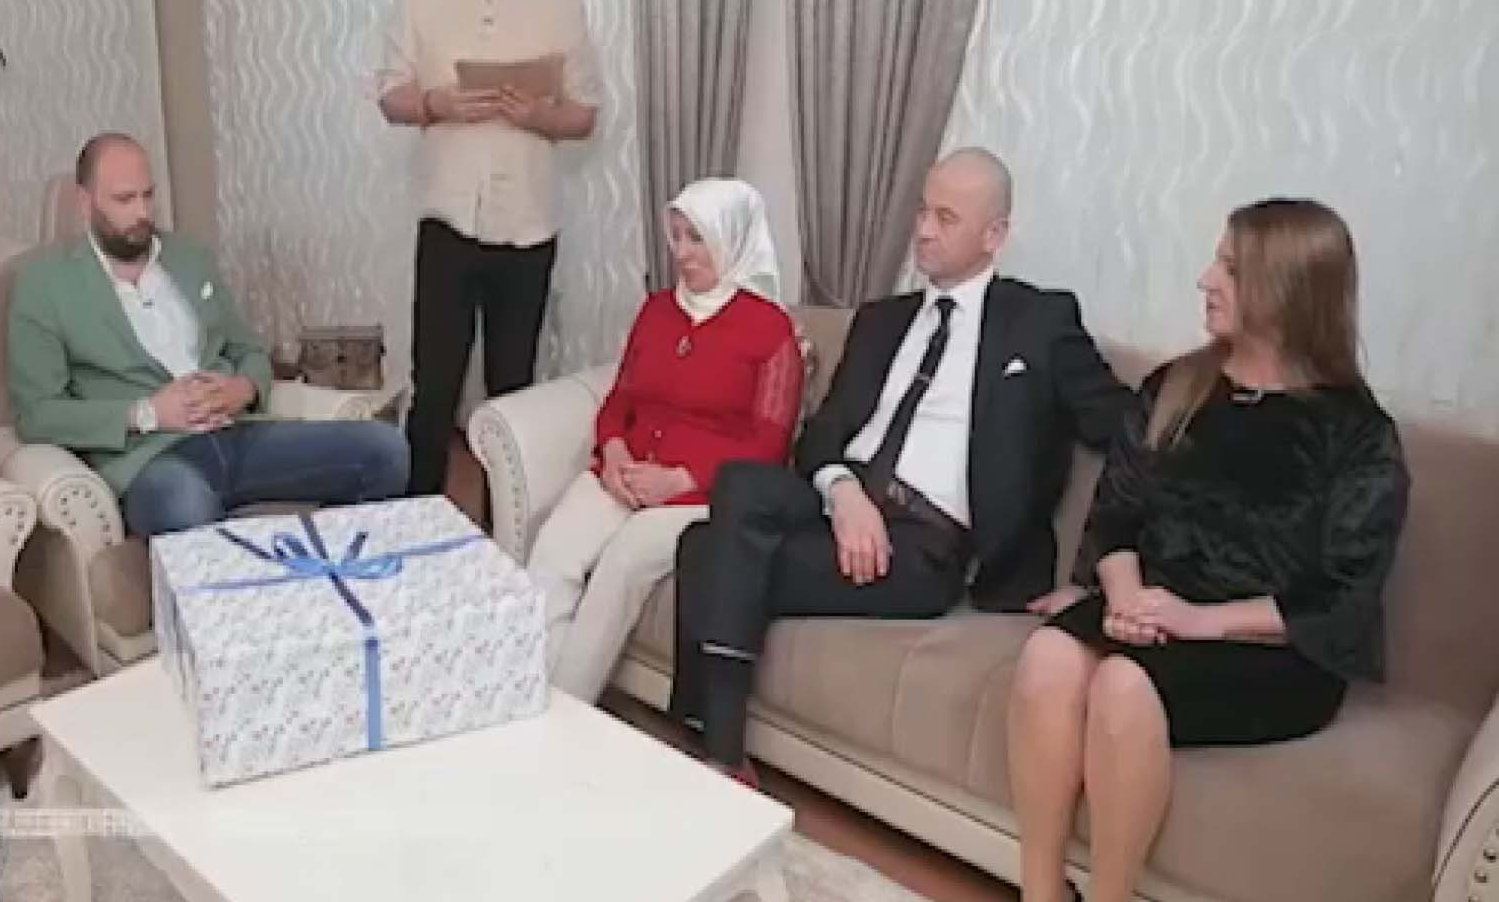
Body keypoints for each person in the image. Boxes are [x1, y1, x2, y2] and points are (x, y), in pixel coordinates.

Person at [670, 147, 1133, 783]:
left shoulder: (1038, 322)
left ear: (994, 235)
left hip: (922, 546)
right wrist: (845, 496)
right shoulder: (881, 321)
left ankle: (711, 749)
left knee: (704, 549)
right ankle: (722, 760)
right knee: (738, 483)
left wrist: (1095, 578)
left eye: (946, 218)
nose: (923, 230)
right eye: (922, 210)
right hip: (842, 508)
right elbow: (822, 436)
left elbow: (1132, 434)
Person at [1007, 199, 1407, 902]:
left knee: (1123, 685)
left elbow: (1343, 595)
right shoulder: (1175, 388)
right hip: (1154, 606)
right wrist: (1126, 597)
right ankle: (1040, 892)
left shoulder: (1357, 433)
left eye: (1228, 267)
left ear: (1284, 290)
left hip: (1269, 646)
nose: (1204, 279)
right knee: (1047, 656)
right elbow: (1116, 516)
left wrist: (1198, 621)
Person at [7, 133, 407, 538]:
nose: (142, 212)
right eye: (125, 200)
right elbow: (37, 414)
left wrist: (242, 388)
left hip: (241, 433)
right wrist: (147, 413)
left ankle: (329, 568)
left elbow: (247, 348)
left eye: (148, 195)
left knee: (384, 449)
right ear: (85, 201)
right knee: (185, 507)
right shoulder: (44, 284)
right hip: (155, 458)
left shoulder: (189, 256)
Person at [375, 0, 602, 495]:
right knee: (435, 390)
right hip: (449, 221)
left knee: (513, 399)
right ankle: (418, 523)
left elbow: (586, 114)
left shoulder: (561, 2)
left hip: (529, 228)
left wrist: (537, 115)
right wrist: (437, 103)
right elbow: (389, 95)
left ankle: (508, 538)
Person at [526, 179, 801, 702]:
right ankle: (527, 697)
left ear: (732, 239)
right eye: (675, 236)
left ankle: (563, 713)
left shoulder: (770, 331)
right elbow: (620, 400)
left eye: (697, 239)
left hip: (700, 494)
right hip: (624, 471)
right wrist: (612, 451)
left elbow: (769, 445)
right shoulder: (656, 310)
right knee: (554, 553)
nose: (681, 253)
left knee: (621, 567)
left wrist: (682, 479)